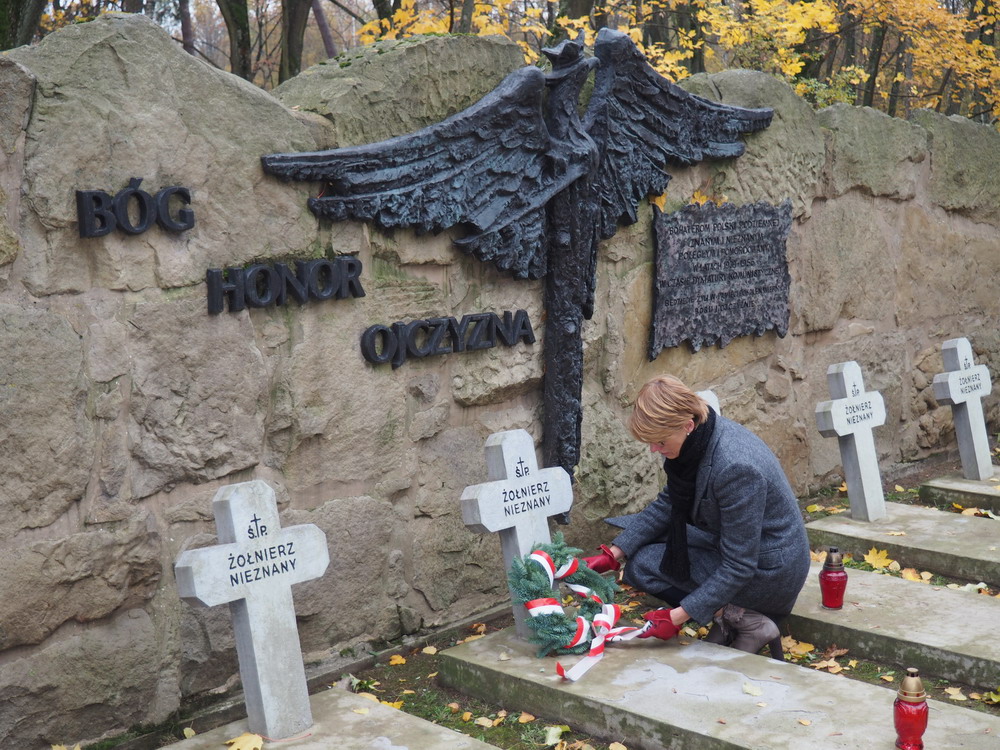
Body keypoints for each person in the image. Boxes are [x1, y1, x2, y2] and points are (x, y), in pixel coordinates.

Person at [584, 375, 810, 653]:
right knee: (642, 564)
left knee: (647, 565)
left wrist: (676, 616)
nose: (654, 449)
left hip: (769, 573)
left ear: (687, 425)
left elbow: (740, 564)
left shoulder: (735, 468)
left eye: (660, 441)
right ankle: (730, 619)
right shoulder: (698, 441)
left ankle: (747, 621)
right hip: (736, 548)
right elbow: (669, 503)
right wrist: (613, 553)